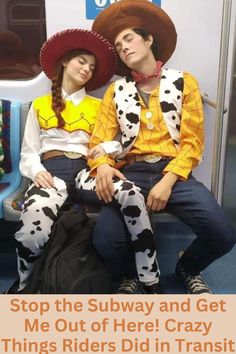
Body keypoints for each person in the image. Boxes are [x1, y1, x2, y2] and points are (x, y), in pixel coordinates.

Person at [75, 0, 236, 294]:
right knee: (106, 240)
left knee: (224, 233)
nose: (123, 47)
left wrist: (168, 180)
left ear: (148, 40)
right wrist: (102, 167)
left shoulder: (184, 81)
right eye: (118, 44)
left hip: (174, 172)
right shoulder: (116, 90)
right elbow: (99, 140)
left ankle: (187, 267)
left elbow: (192, 142)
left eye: (129, 38)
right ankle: (130, 275)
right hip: (131, 173)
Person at [9, 28, 119, 293]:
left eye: (91, 67)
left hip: (85, 172)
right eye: (81, 61)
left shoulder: (99, 105)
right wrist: (35, 171)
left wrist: (103, 148)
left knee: (126, 196)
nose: (87, 69)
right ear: (65, 63)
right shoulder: (40, 104)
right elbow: (29, 151)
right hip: (51, 172)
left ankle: (127, 274)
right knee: (32, 230)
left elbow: (116, 143)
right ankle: (25, 287)